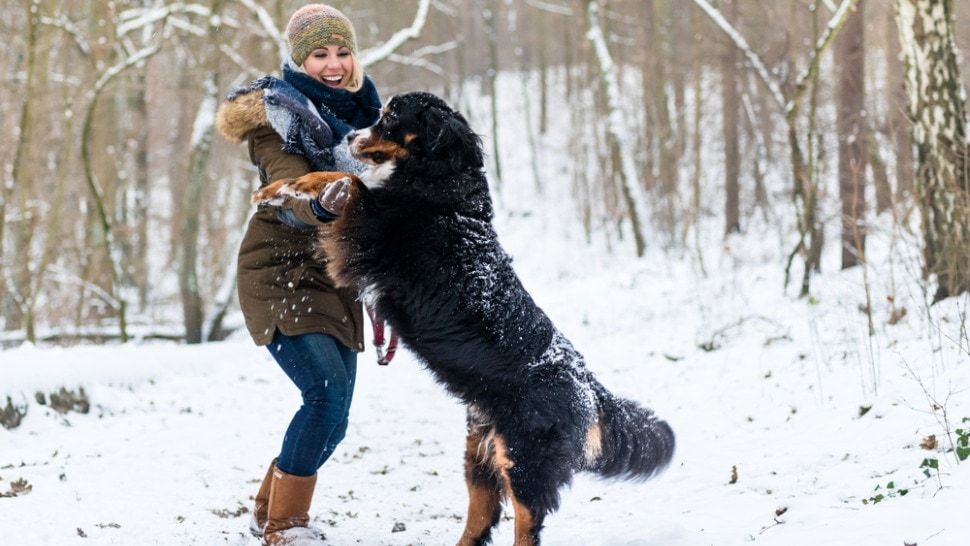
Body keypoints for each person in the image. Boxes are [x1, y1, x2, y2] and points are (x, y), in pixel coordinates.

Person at [215, 4, 381, 544]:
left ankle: (267, 507)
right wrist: (324, 205)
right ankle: (285, 527)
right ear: (298, 59)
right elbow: (288, 193)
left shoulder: (366, 120)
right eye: (319, 54)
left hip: (336, 280)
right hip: (279, 271)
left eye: (341, 52)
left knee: (336, 420)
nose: (332, 64)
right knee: (324, 396)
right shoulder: (275, 116)